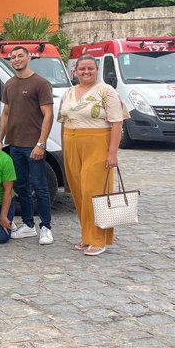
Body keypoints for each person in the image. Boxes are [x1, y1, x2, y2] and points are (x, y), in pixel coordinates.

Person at [58, 54, 125, 257]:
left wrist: (112, 153)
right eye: (82, 69)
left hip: (97, 143)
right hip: (71, 142)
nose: (86, 72)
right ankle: (86, 236)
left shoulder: (106, 91)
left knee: (94, 192)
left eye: (90, 68)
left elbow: (117, 122)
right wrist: (64, 148)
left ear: (97, 70)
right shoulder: (69, 92)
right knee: (78, 192)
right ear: (75, 71)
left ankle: (98, 239)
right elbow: (63, 122)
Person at [0, 45, 55, 245]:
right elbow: (5, 113)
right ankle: (29, 225)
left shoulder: (40, 83)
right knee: (21, 186)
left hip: (33, 145)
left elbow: (48, 114)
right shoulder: (9, 84)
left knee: (40, 186)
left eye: (20, 56)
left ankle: (46, 227)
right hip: (14, 143)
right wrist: (0, 139)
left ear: (29, 57)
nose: (16, 59)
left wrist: (41, 143)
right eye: (13, 57)